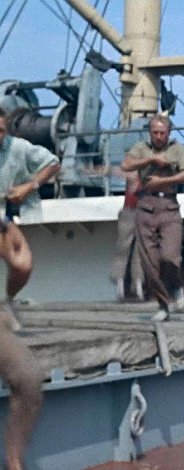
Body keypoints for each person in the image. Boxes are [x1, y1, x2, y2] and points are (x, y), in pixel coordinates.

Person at [0, 108, 53, 470]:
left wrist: (29, 186)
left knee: (29, 380)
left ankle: (14, 460)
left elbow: (20, 261)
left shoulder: (16, 150)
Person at [121, 114, 184, 321]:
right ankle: (163, 305)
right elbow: (126, 165)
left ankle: (177, 286)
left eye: (162, 133)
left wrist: (162, 182)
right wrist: (151, 159)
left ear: (169, 133)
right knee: (150, 264)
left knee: (169, 257)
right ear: (150, 133)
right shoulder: (141, 148)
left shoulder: (178, 149)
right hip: (145, 207)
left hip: (169, 207)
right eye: (155, 133)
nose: (159, 136)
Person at [109, 169, 144, 301]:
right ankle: (127, 286)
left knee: (134, 252)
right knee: (125, 250)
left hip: (138, 212)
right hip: (132, 212)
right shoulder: (138, 173)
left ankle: (135, 286)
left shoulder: (140, 174)